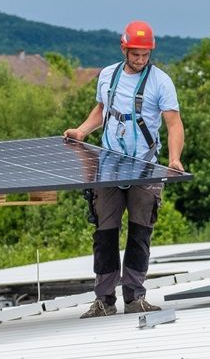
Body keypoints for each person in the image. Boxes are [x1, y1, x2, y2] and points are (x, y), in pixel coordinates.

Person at [63, 20, 185, 317]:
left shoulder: (161, 82)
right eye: (135, 54)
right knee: (105, 233)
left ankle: (134, 297)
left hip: (145, 167)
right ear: (124, 48)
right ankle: (104, 300)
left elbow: (173, 123)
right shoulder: (108, 75)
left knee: (140, 232)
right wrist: (82, 131)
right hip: (109, 166)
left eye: (145, 55)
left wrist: (174, 158)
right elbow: (102, 110)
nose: (140, 60)